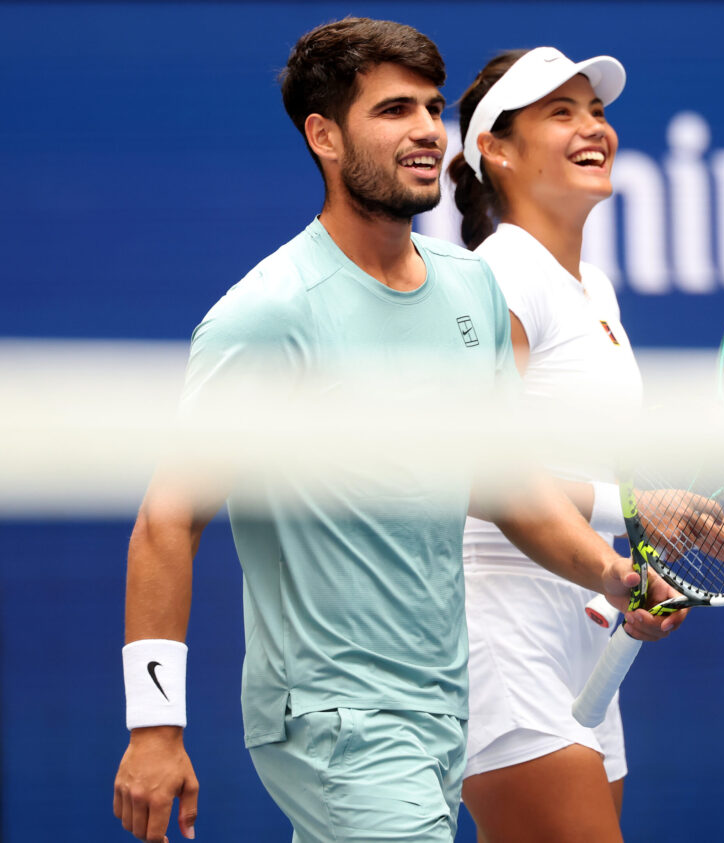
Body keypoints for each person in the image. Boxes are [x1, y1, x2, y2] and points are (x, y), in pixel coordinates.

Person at [110, 19, 683, 843]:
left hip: (442, 705)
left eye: (431, 106)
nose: (423, 130)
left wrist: (608, 572)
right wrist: (154, 724)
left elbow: (496, 477)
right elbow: (169, 518)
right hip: (334, 714)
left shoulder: (466, 288)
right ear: (324, 137)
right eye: (392, 111)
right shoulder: (269, 313)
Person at [445, 47, 663, 842]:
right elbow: (481, 471)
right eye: (560, 112)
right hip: (499, 630)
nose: (593, 127)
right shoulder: (500, 271)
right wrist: (635, 511)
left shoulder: (592, 287)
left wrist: (664, 529)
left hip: (582, 620)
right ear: (495, 150)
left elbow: (588, 468)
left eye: (596, 111)